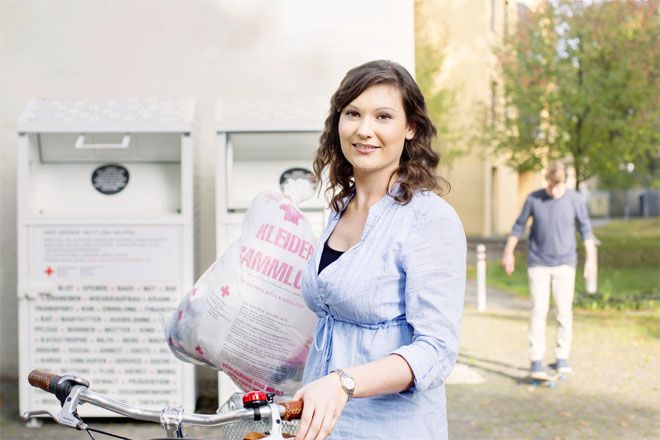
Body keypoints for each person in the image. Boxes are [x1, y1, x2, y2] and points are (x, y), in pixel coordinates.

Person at [292, 60, 466, 440]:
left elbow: (436, 350)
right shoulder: (340, 208)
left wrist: (343, 383)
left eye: (383, 116)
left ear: (410, 128)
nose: (364, 129)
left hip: (391, 429)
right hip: (322, 427)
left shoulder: (428, 220)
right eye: (352, 113)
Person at [501, 161, 596, 379]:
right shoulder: (534, 198)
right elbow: (518, 226)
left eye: (560, 187)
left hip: (565, 264)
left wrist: (591, 260)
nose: (556, 191)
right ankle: (536, 360)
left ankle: (562, 358)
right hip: (538, 263)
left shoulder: (575, 199)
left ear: (565, 183)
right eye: (552, 187)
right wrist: (508, 253)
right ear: (547, 182)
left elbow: (586, 230)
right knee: (538, 311)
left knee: (564, 312)